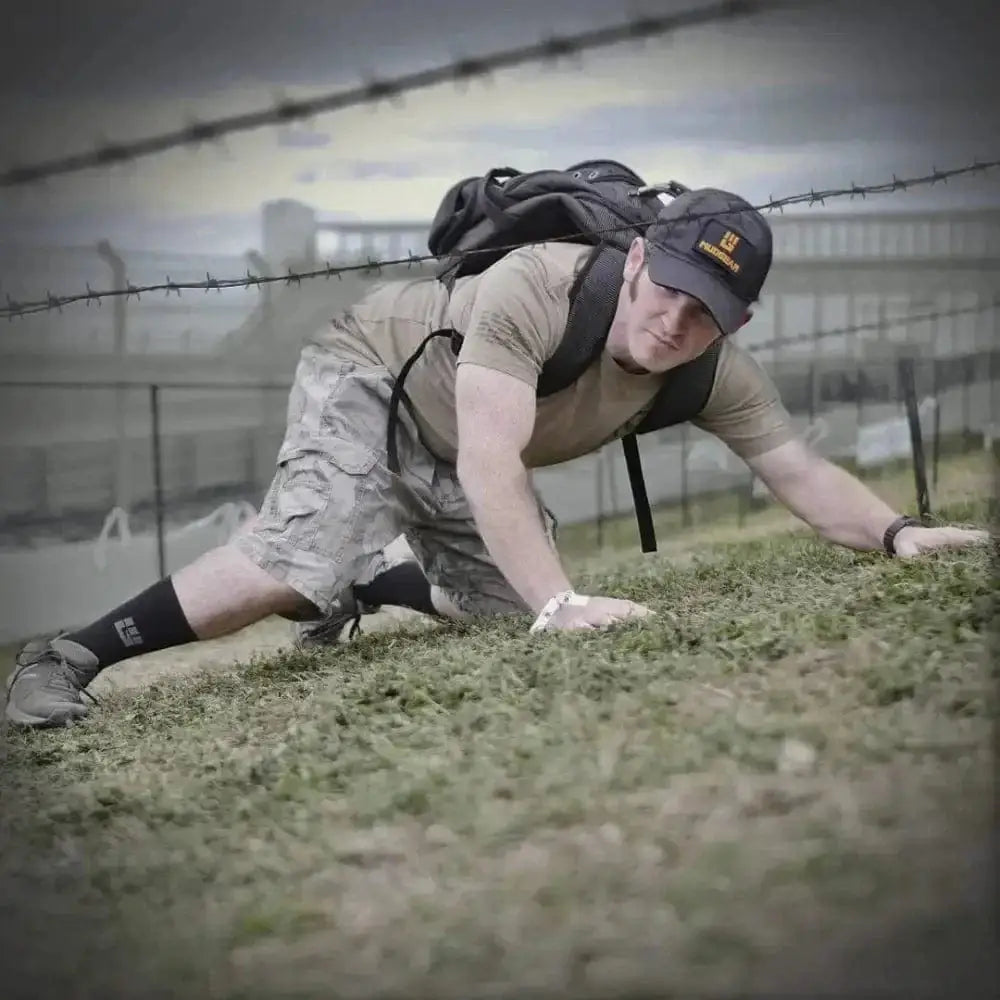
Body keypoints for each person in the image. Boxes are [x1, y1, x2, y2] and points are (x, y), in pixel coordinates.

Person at [4, 189, 988, 729]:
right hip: (368, 375)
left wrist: (897, 533)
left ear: (740, 319)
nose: (676, 323)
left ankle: (364, 585)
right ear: (639, 259)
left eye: (708, 314)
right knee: (296, 554)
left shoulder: (711, 367)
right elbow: (488, 459)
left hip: (453, 435)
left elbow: (801, 472)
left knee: (508, 604)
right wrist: (564, 605)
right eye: (669, 290)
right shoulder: (537, 288)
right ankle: (68, 655)